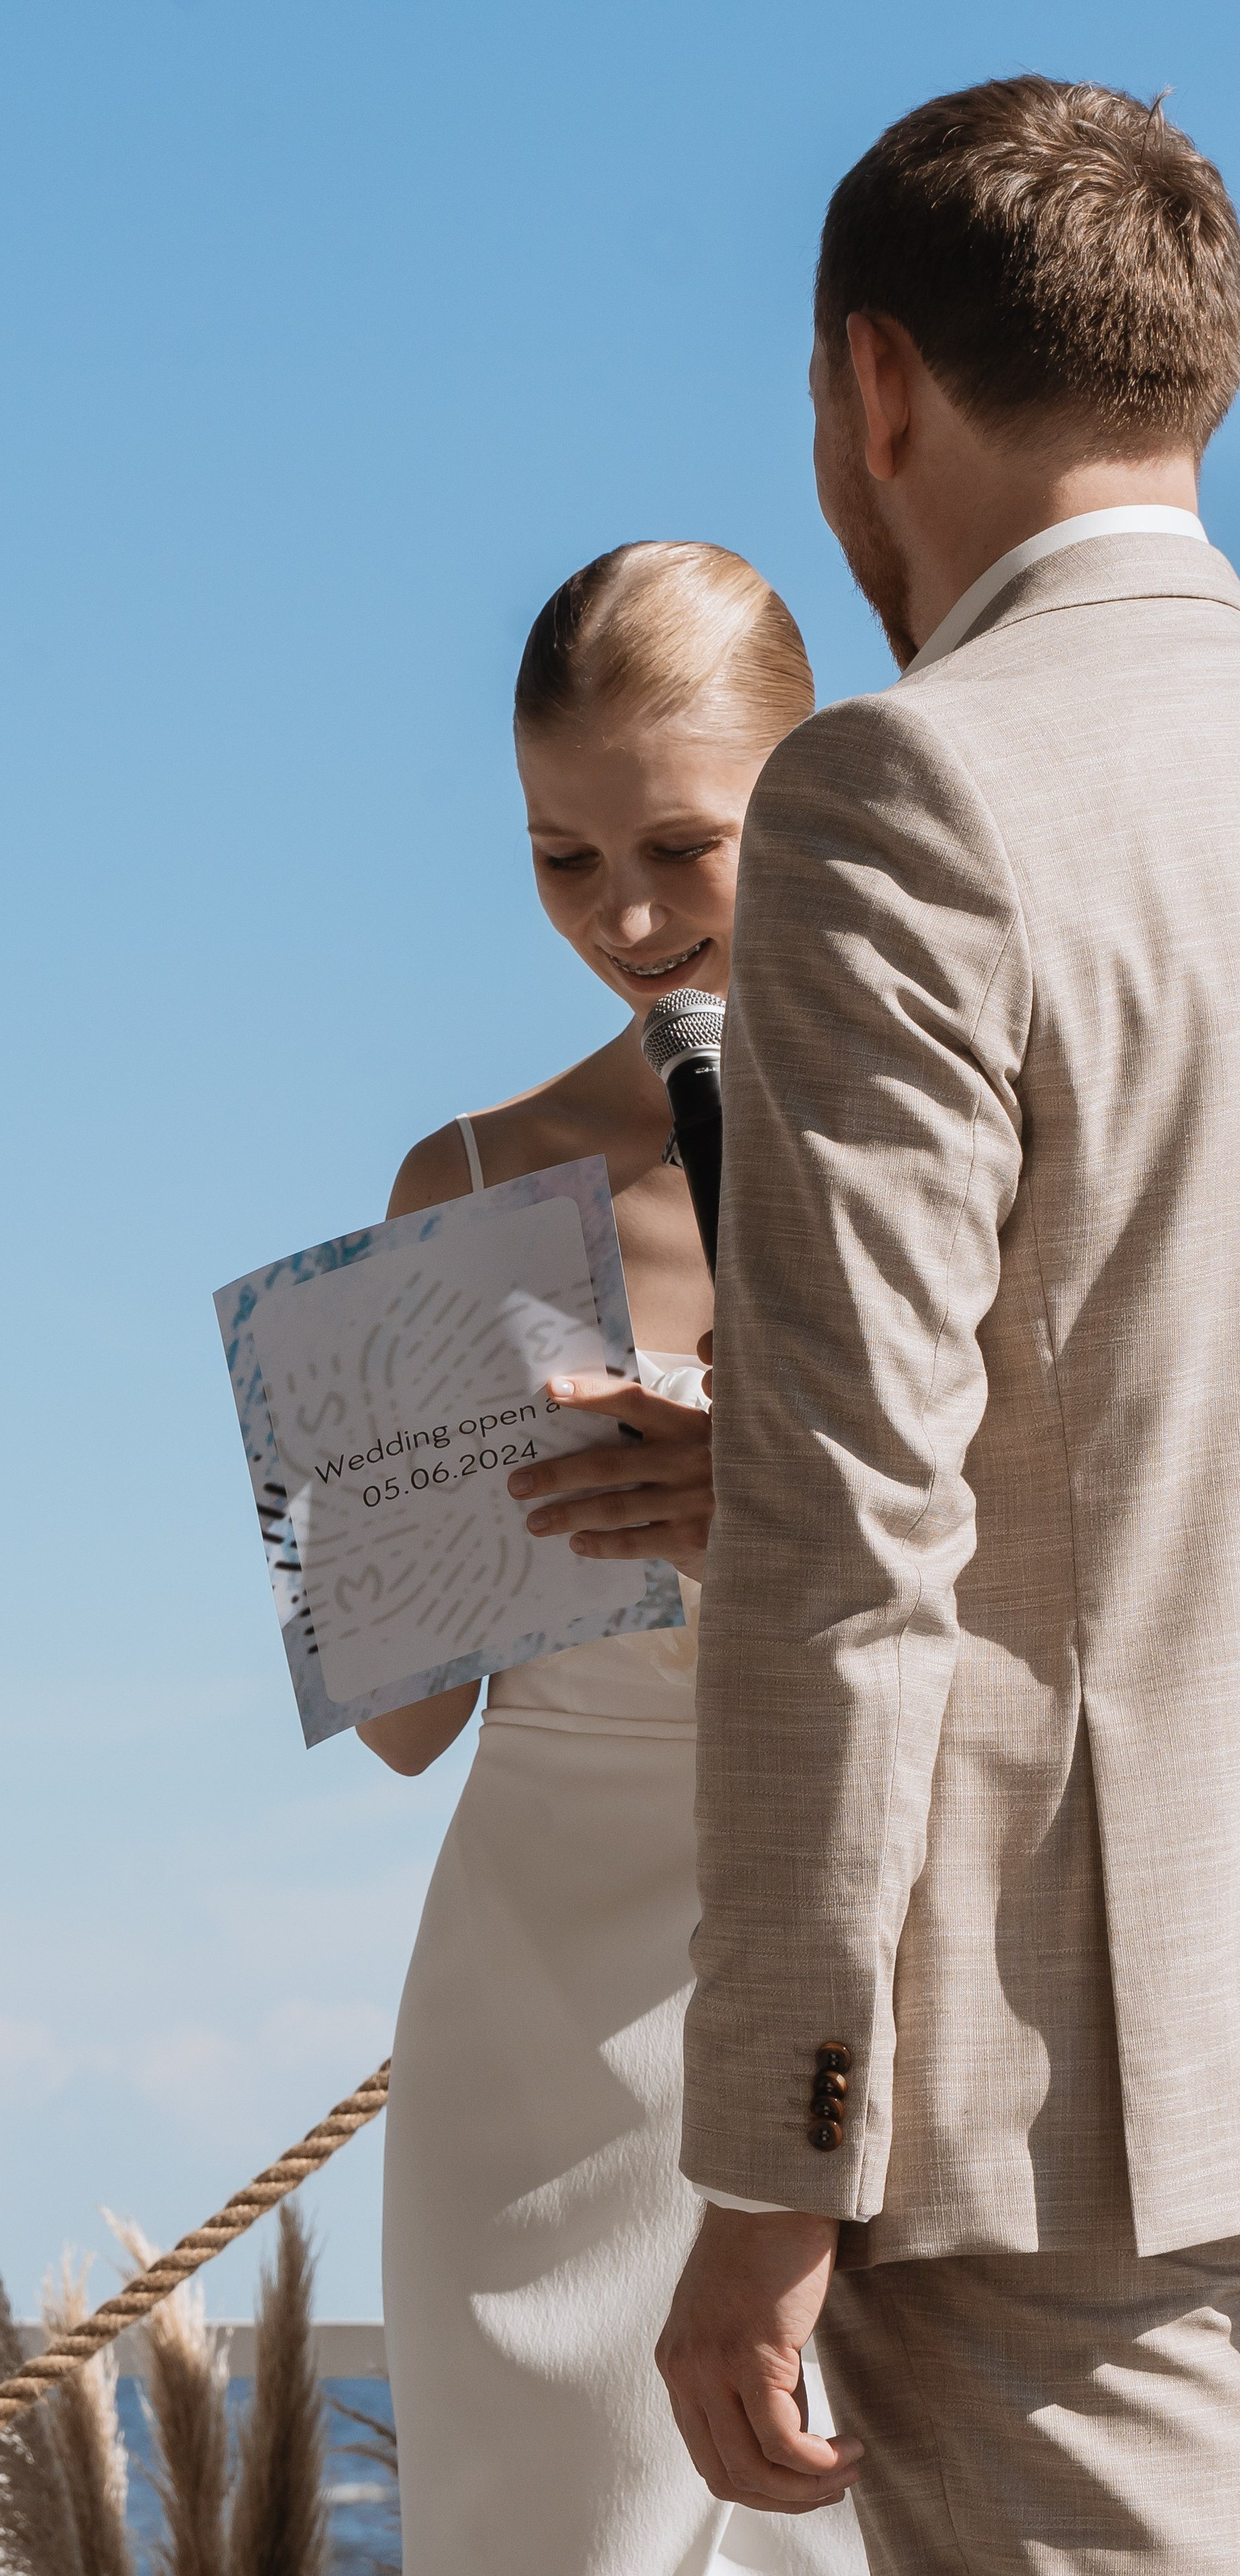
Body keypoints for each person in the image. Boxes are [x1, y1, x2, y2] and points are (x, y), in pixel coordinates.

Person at [629, 75, 1240, 2574]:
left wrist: (776, 2155)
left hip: (1063, 2126)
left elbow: (849, 1527)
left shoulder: (909, 789)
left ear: (874, 388)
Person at [369, 541, 866, 2576]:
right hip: (540, 2044)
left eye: (679, 843)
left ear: (820, 788)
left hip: (875, 1991)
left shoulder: (972, 1129)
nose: (630, 919)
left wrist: (787, 1484)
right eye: (564, 862)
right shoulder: (467, 1183)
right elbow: (407, 1722)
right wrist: (390, 1513)